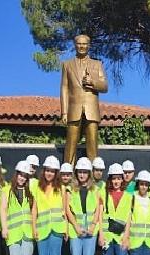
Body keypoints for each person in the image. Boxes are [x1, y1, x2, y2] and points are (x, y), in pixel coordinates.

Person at [61, 34, 108, 164]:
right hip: (73, 109)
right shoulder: (67, 65)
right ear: (75, 45)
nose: (82, 46)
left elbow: (104, 86)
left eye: (84, 44)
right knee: (70, 144)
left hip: (91, 109)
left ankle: (93, 175)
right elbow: (64, 88)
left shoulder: (97, 64)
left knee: (92, 144)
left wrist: (92, 82)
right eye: (79, 44)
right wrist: (64, 111)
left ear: (89, 46)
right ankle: (67, 173)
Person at [65, 157, 101, 255]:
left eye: (85, 172)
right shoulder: (70, 189)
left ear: (89, 174)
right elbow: (67, 209)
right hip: (76, 230)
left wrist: (93, 225)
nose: (82, 175)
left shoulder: (96, 189)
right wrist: (75, 226)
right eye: (79, 172)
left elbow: (99, 208)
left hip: (91, 230)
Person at [32, 155, 66, 255]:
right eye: (47, 170)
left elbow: (65, 210)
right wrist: (33, 227)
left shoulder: (61, 188)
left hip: (57, 229)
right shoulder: (37, 188)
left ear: (56, 172)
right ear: (43, 171)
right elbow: (34, 209)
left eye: (52, 171)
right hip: (42, 228)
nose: (49, 173)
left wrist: (66, 229)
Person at [99, 163, 132, 255]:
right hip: (107, 235)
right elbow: (100, 215)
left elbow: (129, 218)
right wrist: (100, 234)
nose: (116, 181)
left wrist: (126, 236)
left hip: (120, 237)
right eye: (114, 178)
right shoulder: (104, 194)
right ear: (110, 179)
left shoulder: (128, 196)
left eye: (119, 178)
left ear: (122, 180)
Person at [1, 161, 35, 255]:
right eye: (20, 175)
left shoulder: (30, 191)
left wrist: (34, 228)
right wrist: (4, 228)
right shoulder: (6, 190)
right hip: (13, 231)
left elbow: (33, 211)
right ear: (16, 175)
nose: (22, 178)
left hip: (27, 231)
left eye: (25, 176)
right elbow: (3, 210)